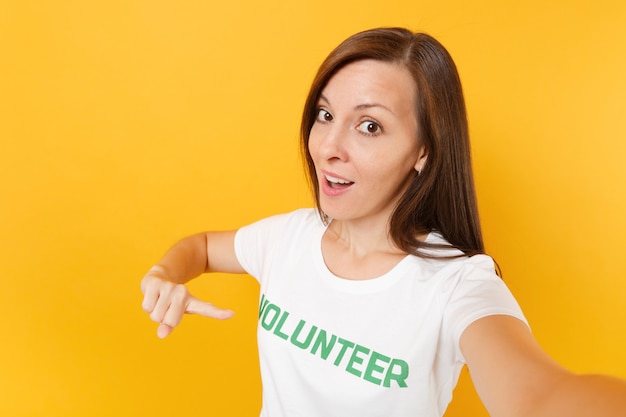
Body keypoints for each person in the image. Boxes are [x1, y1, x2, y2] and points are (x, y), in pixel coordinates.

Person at [140, 27, 626, 417]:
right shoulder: (288, 237)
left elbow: (539, 395)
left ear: (423, 152)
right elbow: (202, 247)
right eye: (325, 114)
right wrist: (165, 275)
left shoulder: (457, 284)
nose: (328, 147)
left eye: (369, 126)